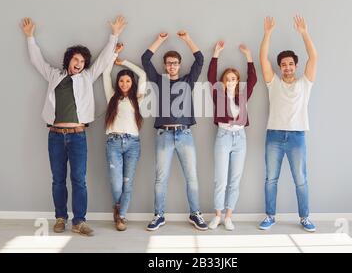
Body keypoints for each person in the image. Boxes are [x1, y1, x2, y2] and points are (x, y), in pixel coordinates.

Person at [21, 15, 127, 236]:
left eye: (82, 62)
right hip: (55, 136)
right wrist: (30, 37)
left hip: (78, 136)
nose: (79, 64)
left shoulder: (87, 77)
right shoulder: (54, 75)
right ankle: (61, 218)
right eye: (76, 60)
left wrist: (114, 35)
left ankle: (79, 221)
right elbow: (37, 60)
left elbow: (103, 61)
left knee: (79, 179)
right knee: (58, 179)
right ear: (69, 59)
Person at [141, 31, 208, 231]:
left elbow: (200, 59)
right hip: (164, 135)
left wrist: (187, 39)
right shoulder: (158, 81)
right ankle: (159, 215)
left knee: (192, 177)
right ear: (165, 65)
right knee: (160, 178)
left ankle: (195, 214)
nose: (172, 66)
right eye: (168, 63)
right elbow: (145, 59)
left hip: (185, 134)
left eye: (175, 63)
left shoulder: (188, 81)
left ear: (179, 65)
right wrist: (160, 40)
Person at [258, 15, 318, 232]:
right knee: (270, 179)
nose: (287, 67)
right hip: (274, 136)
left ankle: (305, 217)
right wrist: (267, 33)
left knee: (300, 179)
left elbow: (314, 58)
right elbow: (263, 58)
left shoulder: (305, 84)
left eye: (290, 64)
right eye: (283, 65)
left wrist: (304, 33)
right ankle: (270, 216)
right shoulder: (272, 83)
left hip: (297, 137)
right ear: (280, 67)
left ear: (295, 65)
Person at [207, 41, 257, 230]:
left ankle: (228, 216)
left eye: (233, 79)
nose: (230, 82)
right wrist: (216, 54)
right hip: (223, 137)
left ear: (237, 81)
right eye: (227, 79)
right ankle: (217, 215)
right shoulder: (217, 94)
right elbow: (211, 77)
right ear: (224, 81)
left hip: (240, 138)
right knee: (221, 179)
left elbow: (253, 80)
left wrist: (248, 57)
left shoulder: (243, 95)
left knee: (235, 180)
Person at [103, 42, 147, 231]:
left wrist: (125, 62)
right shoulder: (111, 96)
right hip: (113, 142)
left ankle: (121, 217)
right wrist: (114, 56)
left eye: (128, 81)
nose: (124, 83)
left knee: (128, 183)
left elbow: (143, 75)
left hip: (133, 144)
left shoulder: (137, 99)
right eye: (121, 81)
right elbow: (105, 73)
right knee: (116, 183)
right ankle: (118, 205)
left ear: (132, 83)